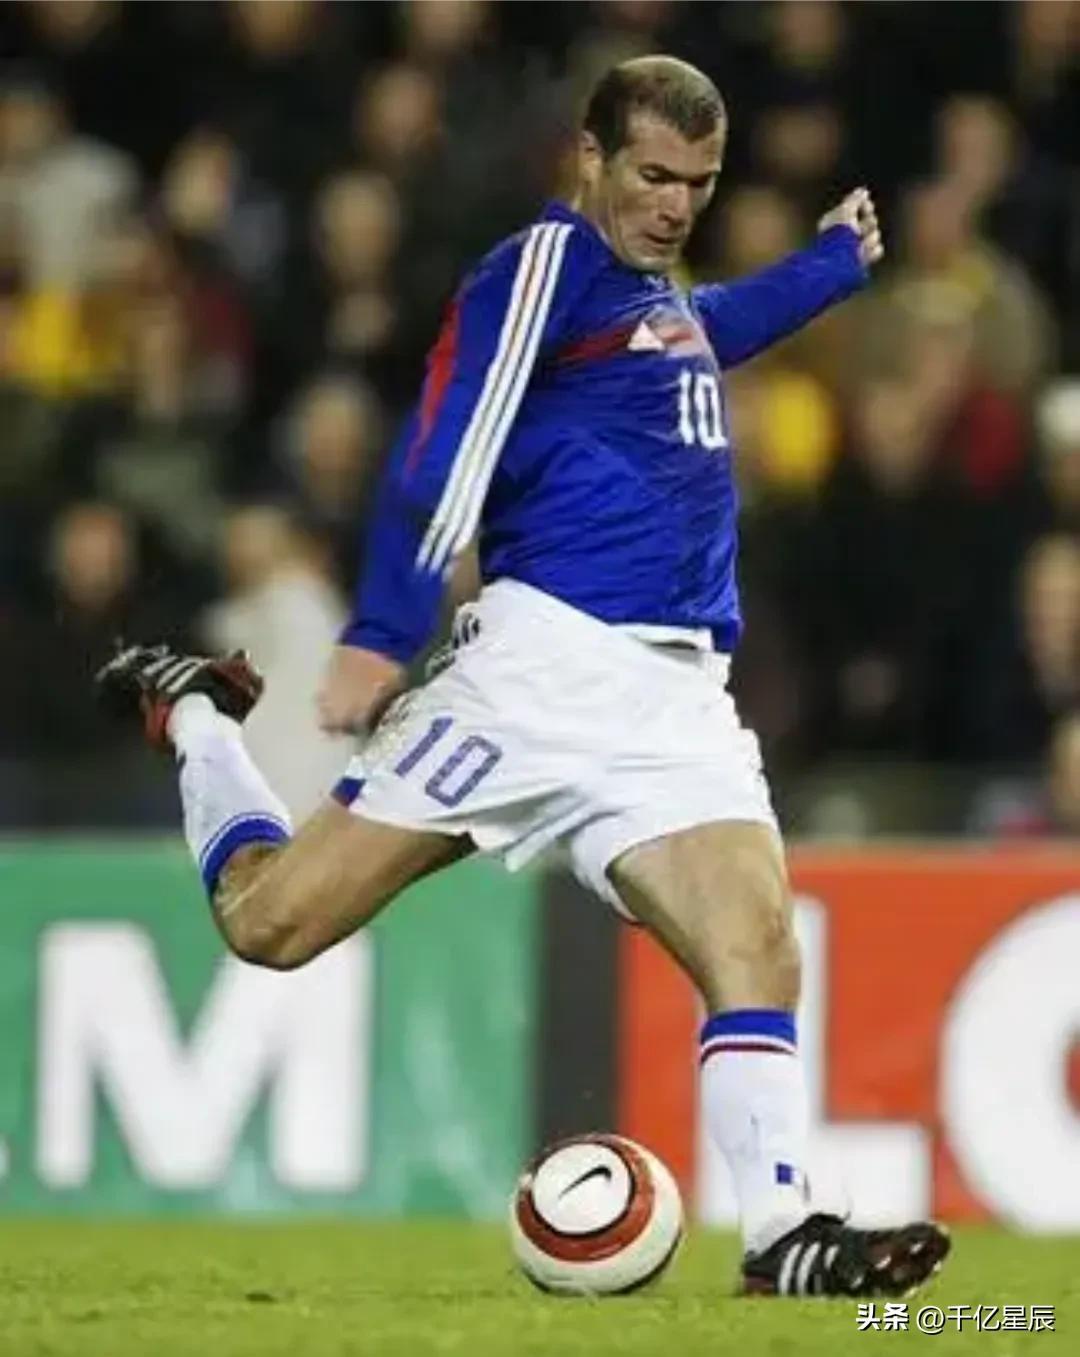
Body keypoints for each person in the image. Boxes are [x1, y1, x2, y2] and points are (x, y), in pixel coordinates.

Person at [96, 56, 949, 1298]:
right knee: (270, 923)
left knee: (756, 942)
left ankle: (784, 1235)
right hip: (535, 675)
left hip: (675, 696)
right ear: (588, 158)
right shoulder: (541, 267)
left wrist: (827, 267)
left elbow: (703, 333)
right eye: (652, 175)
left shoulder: (645, 299)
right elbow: (447, 439)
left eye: (699, 183)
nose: (675, 204)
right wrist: (385, 626)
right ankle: (198, 718)